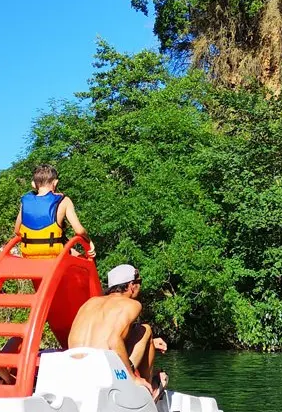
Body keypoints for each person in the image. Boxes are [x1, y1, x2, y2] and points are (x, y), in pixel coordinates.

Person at [67, 264, 167, 398]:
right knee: (146, 329)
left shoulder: (90, 303)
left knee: (141, 335)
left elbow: (101, 336)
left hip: (74, 370)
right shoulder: (132, 304)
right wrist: (133, 377)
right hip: (103, 373)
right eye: (139, 283)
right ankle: (149, 392)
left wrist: (151, 343)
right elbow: (114, 340)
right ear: (131, 285)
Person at [14, 164, 93, 258]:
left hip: (29, 257)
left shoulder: (25, 202)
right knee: (84, 259)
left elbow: (17, 230)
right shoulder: (64, 200)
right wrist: (89, 242)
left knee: (72, 251)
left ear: (33, 185)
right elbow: (79, 231)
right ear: (55, 183)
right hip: (56, 257)